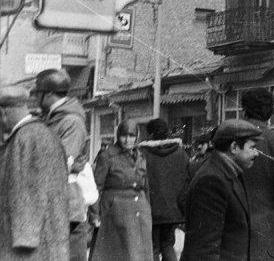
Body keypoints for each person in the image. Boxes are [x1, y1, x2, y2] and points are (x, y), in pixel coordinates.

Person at [0, 86, 70, 260]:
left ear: (3, 112)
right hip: (50, 237)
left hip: (28, 246)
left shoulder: (24, 138)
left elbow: (26, 192)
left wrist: (24, 240)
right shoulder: (45, 134)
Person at [181, 119, 262, 260]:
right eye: (252, 148)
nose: (257, 154)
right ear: (234, 147)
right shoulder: (212, 180)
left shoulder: (230, 173)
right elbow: (204, 249)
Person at [34, 68, 90, 261]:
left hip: (66, 204)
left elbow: (60, 164)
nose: (35, 98)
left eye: (38, 93)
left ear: (48, 93)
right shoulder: (51, 118)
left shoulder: (71, 122)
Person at [239, 88, 274, 261]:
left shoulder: (232, 137)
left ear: (244, 110)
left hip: (234, 228)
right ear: (270, 112)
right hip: (270, 229)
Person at [91, 119, 154, 261]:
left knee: (138, 254)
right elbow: (96, 186)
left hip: (139, 211)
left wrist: (147, 209)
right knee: (116, 253)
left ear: (137, 137)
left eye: (131, 136)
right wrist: (95, 214)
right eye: (123, 136)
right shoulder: (107, 156)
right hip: (115, 211)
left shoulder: (141, 156)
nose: (127, 140)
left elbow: (146, 186)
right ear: (118, 136)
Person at [139, 118, 189, 261]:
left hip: (151, 209)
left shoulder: (143, 153)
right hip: (173, 210)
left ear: (151, 134)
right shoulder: (180, 153)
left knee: (152, 247)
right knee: (168, 245)